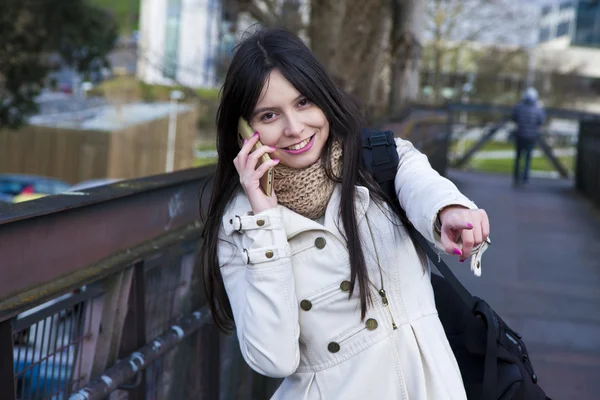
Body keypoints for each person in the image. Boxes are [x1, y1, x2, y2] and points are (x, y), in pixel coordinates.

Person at [200, 28, 491, 400]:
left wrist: (450, 211)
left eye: (304, 102)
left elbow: (423, 188)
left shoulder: (378, 161)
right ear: (245, 131)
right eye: (269, 114)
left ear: (324, 97)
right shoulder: (242, 227)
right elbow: (272, 360)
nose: (294, 128)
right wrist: (265, 220)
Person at [511, 87, 546, 186]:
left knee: (518, 157)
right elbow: (541, 121)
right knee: (528, 158)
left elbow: (514, 118)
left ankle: (516, 177)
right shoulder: (538, 109)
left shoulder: (519, 107)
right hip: (531, 136)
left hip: (520, 135)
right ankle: (525, 178)